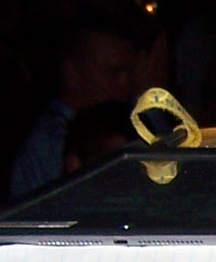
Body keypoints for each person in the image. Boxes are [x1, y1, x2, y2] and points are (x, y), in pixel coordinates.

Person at [8, 24, 140, 196]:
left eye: (130, 74)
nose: (126, 84)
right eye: (114, 72)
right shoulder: (47, 143)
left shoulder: (133, 120)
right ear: (72, 71)